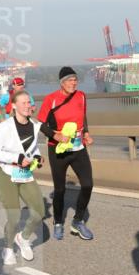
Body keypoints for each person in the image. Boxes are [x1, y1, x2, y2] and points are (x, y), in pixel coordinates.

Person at [37, 67, 95, 241]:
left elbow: (83, 116)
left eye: (75, 79)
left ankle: (77, 222)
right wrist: (55, 135)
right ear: (62, 82)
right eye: (70, 80)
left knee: (87, 185)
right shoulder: (51, 99)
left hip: (78, 148)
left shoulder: (82, 96)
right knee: (60, 189)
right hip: (58, 150)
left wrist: (86, 133)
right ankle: (58, 222)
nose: (74, 83)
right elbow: (40, 124)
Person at [0, 90, 46, 265]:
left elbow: (32, 149)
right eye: (24, 103)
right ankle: (8, 248)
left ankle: (23, 237)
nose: (28, 105)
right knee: (14, 216)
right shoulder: (4, 127)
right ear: (14, 106)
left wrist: (37, 157)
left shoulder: (35, 125)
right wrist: (17, 159)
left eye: (29, 102)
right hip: (7, 174)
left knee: (39, 213)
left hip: (26, 174)